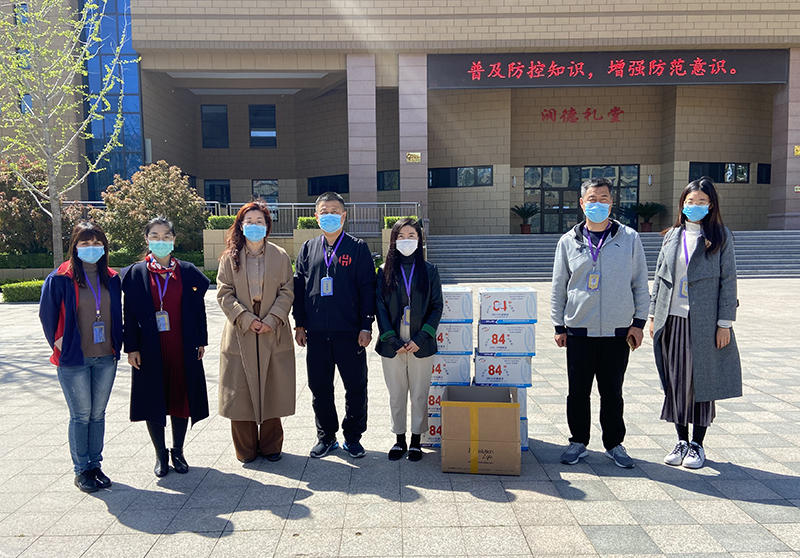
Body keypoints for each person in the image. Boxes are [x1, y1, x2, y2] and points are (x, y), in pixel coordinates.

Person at [550, 177, 649, 468]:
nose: (597, 204)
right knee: (577, 392)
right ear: (582, 203)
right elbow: (558, 286)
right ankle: (578, 441)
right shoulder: (568, 241)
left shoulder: (629, 238)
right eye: (592, 199)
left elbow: (640, 282)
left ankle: (614, 444)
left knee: (612, 392)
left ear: (611, 202)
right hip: (579, 330)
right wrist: (558, 326)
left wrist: (638, 322)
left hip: (617, 332)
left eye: (603, 199)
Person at [649, 177, 741, 469]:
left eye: (701, 201)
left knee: (702, 380)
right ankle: (681, 440)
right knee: (676, 380)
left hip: (704, 321)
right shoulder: (671, 236)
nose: (695, 206)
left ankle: (697, 444)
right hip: (672, 318)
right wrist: (653, 315)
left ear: (711, 205)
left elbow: (729, 281)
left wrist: (724, 323)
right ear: (682, 204)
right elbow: (660, 277)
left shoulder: (721, 237)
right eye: (690, 201)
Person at [121, 217, 210, 477]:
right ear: (147, 239)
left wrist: (201, 340)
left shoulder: (187, 271)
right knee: (154, 399)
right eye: (155, 236)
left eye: (166, 236)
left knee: (181, 398)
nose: (161, 241)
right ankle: (160, 454)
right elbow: (129, 315)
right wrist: (131, 348)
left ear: (174, 240)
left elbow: (198, 310)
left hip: (182, 346)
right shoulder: (135, 274)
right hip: (150, 349)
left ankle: (178, 451)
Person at [39, 222, 122, 493]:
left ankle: (95, 465)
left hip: (105, 357)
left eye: (96, 243)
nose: (91, 248)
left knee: (98, 414)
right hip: (74, 358)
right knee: (81, 415)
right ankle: (81, 470)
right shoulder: (60, 278)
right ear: (74, 246)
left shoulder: (111, 278)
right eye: (85, 243)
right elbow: (47, 314)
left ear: (104, 247)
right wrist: (59, 343)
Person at [293, 191, 376, 458]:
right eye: (324, 212)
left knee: (356, 387)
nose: (329, 216)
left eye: (334, 211)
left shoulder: (357, 248)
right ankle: (326, 436)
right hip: (316, 334)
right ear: (316, 217)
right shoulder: (308, 249)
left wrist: (366, 325)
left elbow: (367, 287)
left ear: (343, 215)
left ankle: (353, 437)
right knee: (320, 388)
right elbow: (299, 288)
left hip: (350, 333)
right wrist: (299, 324)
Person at [217, 201, 296, 463]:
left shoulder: (279, 255)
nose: (254, 226)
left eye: (259, 221)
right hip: (241, 330)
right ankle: (246, 448)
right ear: (241, 225)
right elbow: (224, 292)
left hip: (272, 328)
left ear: (267, 226)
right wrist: (246, 318)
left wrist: (272, 319)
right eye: (249, 221)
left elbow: (287, 290)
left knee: (274, 387)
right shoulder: (229, 257)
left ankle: (272, 445)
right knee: (240, 392)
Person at [375, 218, 443, 461]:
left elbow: (437, 306)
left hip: (420, 341)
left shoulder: (430, 270)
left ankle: (416, 439)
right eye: (401, 236)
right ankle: (399, 438)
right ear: (393, 240)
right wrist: (392, 339)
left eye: (411, 236)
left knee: (419, 393)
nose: (406, 240)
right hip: (392, 341)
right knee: (396, 393)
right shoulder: (383, 271)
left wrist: (422, 337)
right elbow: (379, 307)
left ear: (419, 239)